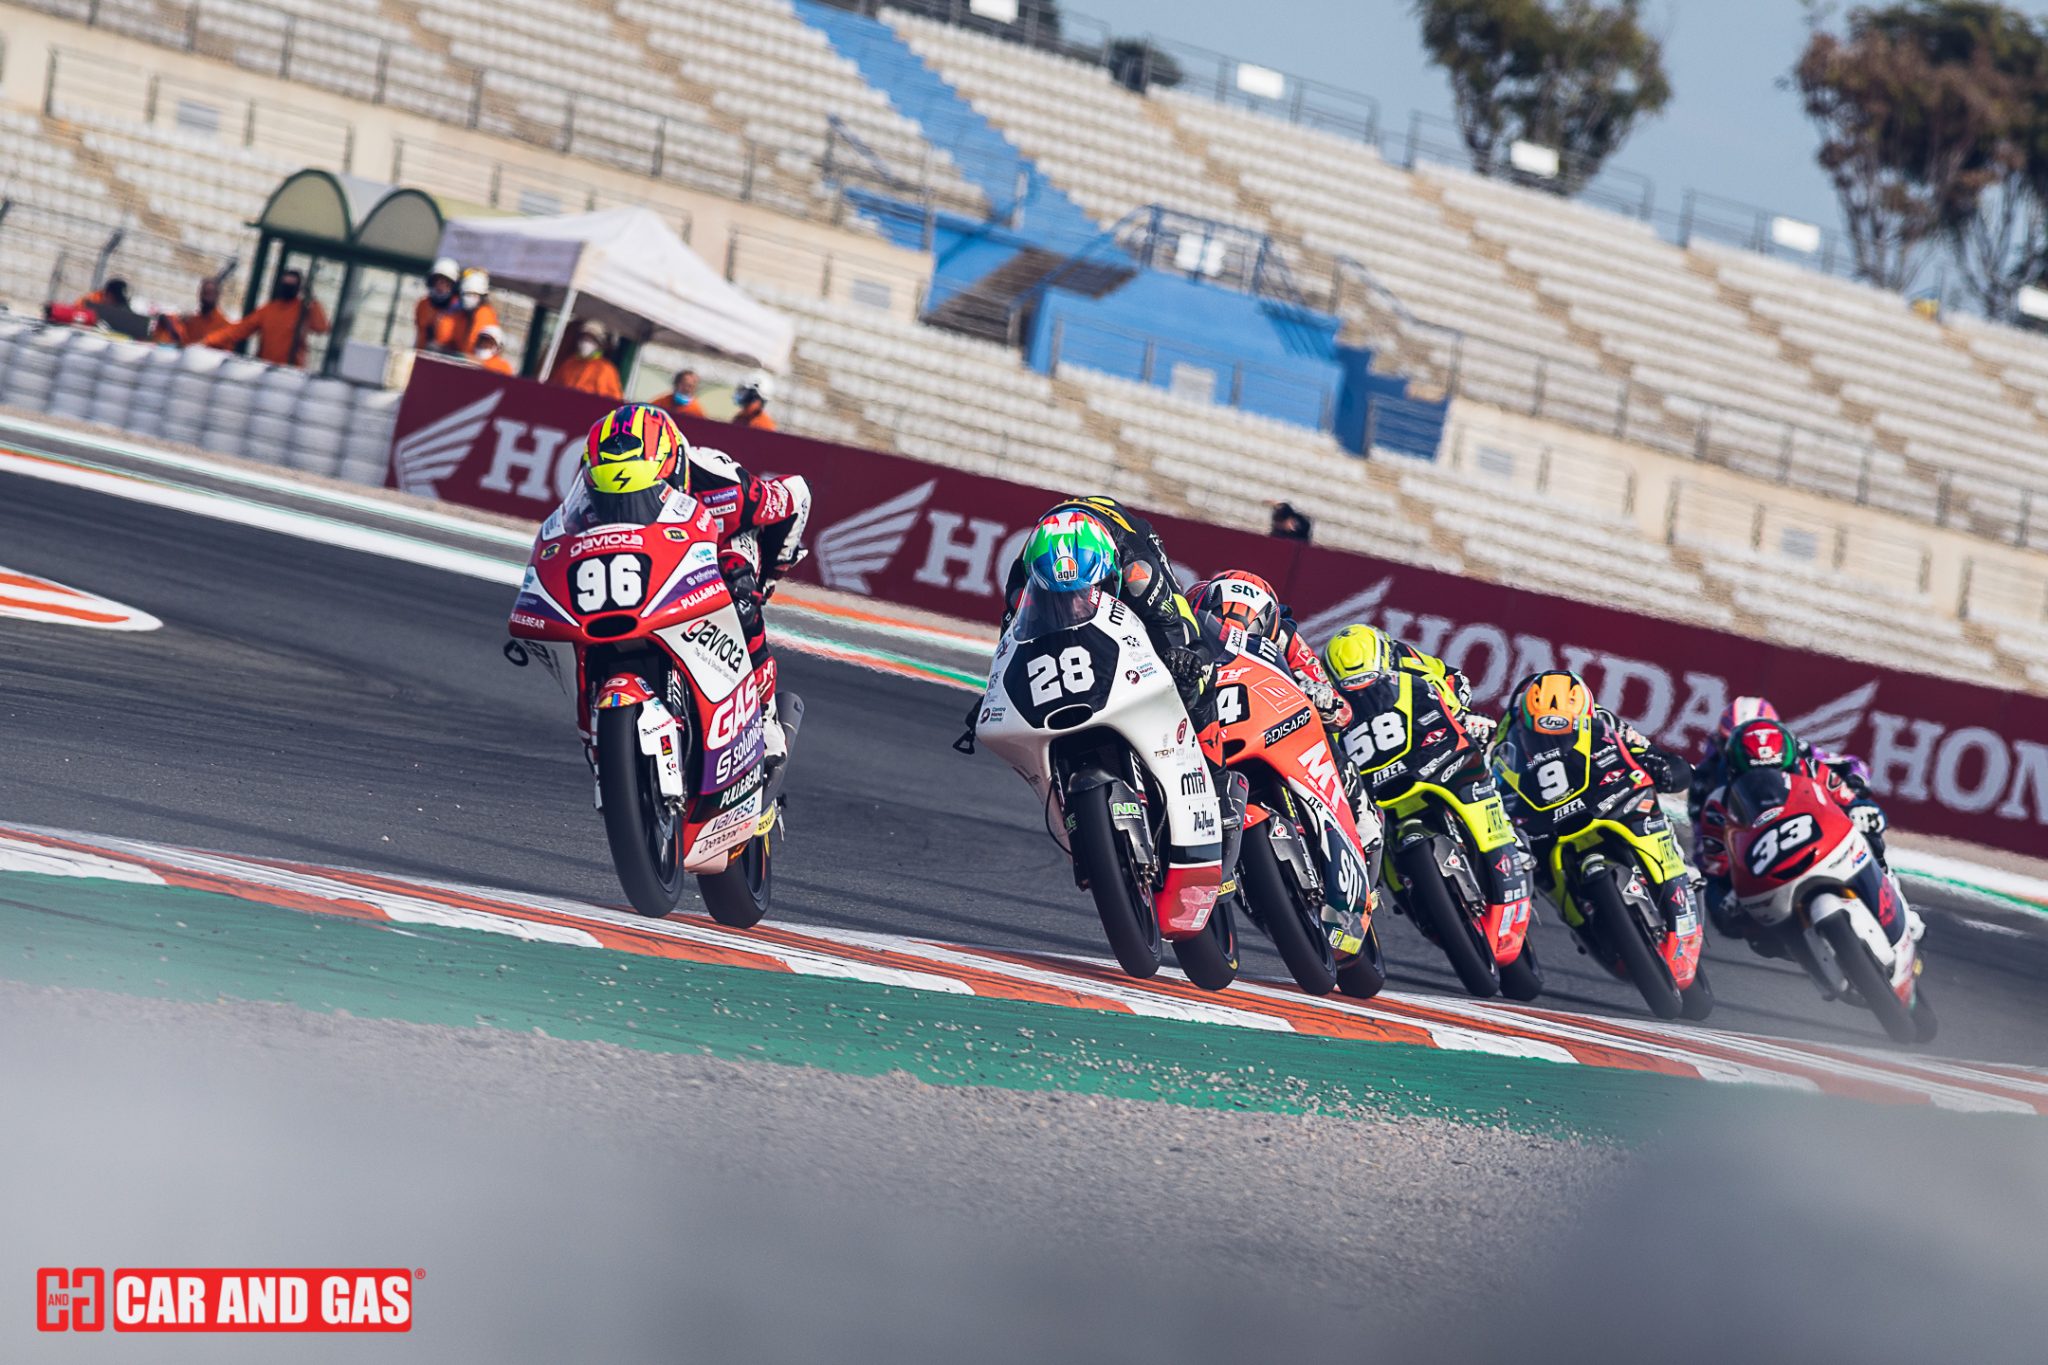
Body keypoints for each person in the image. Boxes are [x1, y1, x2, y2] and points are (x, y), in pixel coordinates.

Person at [565, 405, 811, 760]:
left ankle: (764, 712)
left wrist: (771, 575)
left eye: (639, 493)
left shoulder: (724, 483)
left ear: (674, 468)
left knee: (739, 590)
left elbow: (796, 495)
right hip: (643, 555)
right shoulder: (592, 492)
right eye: (613, 498)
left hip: (722, 546)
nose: (625, 504)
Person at [1490, 671, 1697, 948]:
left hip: (1601, 800)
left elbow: (1648, 752)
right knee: (1531, 866)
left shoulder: (1605, 720)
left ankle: (1678, 872)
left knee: (1649, 805)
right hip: (1546, 819)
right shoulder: (1509, 732)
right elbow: (1496, 779)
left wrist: (1664, 766)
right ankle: (1576, 918)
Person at [1694, 717, 1897, 950]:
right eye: (1753, 776)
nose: (1766, 784)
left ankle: (1890, 891)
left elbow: (1852, 802)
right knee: (1756, 939)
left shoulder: (1813, 770)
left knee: (1870, 836)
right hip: (1768, 877)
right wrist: (1725, 898)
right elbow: (1715, 869)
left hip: (1824, 847)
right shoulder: (1717, 806)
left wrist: (1863, 812)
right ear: (1733, 771)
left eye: (1775, 773)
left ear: (1790, 763)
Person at [1188, 569, 1349, 728]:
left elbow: (1343, 712)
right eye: (1217, 631)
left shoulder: (1286, 638)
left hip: (1258, 713)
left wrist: (1325, 703)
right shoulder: (1192, 601)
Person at [1321, 623, 1488, 739]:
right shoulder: (1328, 700)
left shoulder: (1405, 659)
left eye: (1370, 683)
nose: (1364, 694)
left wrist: (1462, 717)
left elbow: (1451, 676)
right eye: (1354, 689)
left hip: (1433, 741)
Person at [202, 269, 328, 367]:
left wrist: (313, 300)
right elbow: (240, 329)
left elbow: (321, 327)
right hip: (265, 368)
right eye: (285, 284)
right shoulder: (269, 310)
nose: (287, 288)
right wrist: (209, 340)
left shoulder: (303, 310)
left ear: (298, 288)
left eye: (291, 285)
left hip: (290, 372)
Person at [150, 276, 232, 347]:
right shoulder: (192, 321)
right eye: (204, 293)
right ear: (199, 294)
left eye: (210, 293)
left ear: (217, 295)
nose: (206, 297)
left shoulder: (223, 325)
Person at [549, 321, 622, 398]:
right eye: (583, 339)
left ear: (599, 345)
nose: (585, 343)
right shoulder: (569, 363)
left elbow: (614, 399)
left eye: (591, 340)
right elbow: (554, 388)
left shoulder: (606, 369)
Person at [414, 257, 462, 352]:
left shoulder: (459, 309)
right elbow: (419, 333)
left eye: (446, 283)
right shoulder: (423, 305)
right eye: (437, 281)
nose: (441, 286)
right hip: (422, 353)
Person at [452, 268, 498, 355]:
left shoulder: (484, 314)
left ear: (482, 297)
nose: (468, 299)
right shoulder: (463, 314)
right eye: (466, 294)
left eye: (473, 295)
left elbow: (472, 349)